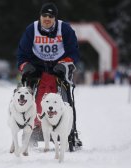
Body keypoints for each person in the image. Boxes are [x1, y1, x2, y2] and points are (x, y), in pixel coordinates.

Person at [16, 2, 82, 150]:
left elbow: (74, 52)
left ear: (55, 18)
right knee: (33, 96)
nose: (47, 19)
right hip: (38, 68)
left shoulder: (64, 29)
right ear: (40, 16)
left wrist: (65, 63)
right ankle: (34, 127)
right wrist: (25, 66)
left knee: (64, 99)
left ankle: (68, 130)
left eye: (50, 16)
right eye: (44, 15)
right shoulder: (31, 30)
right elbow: (21, 55)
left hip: (59, 67)